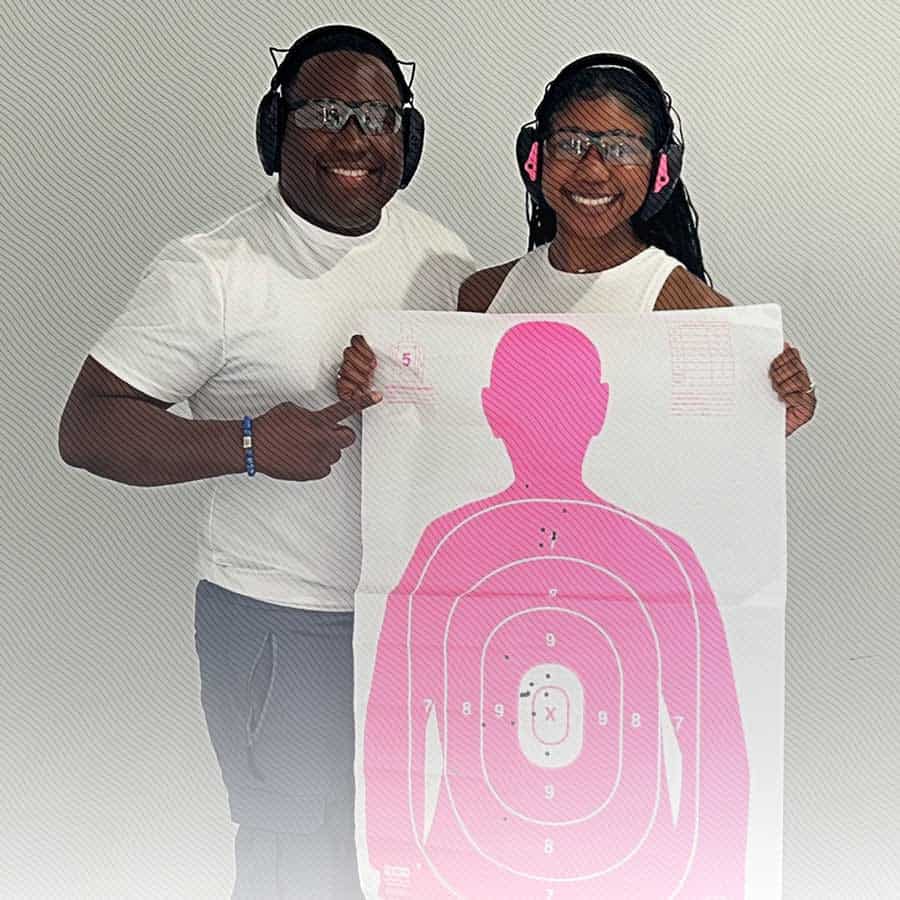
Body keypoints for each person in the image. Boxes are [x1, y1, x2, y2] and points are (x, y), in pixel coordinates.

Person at [58, 24, 473, 900]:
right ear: (274, 129)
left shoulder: (441, 259)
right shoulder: (211, 271)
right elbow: (88, 426)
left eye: (379, 115)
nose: (356, 137)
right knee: (300, 867)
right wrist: (249, 443)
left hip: (413, 622)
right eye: (326, 111)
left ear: (411, 139)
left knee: (415, 852)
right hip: (285, 624)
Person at [337, 53, 817, 436]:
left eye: (621, 148)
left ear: (659, 171)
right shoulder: (480, 296)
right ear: (534, 158)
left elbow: (712, 460)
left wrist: (773, 415)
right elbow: (446, 437)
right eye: (569, 143)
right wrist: (376, 388)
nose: (591, 169)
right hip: (510, 549)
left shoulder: (689, 307)